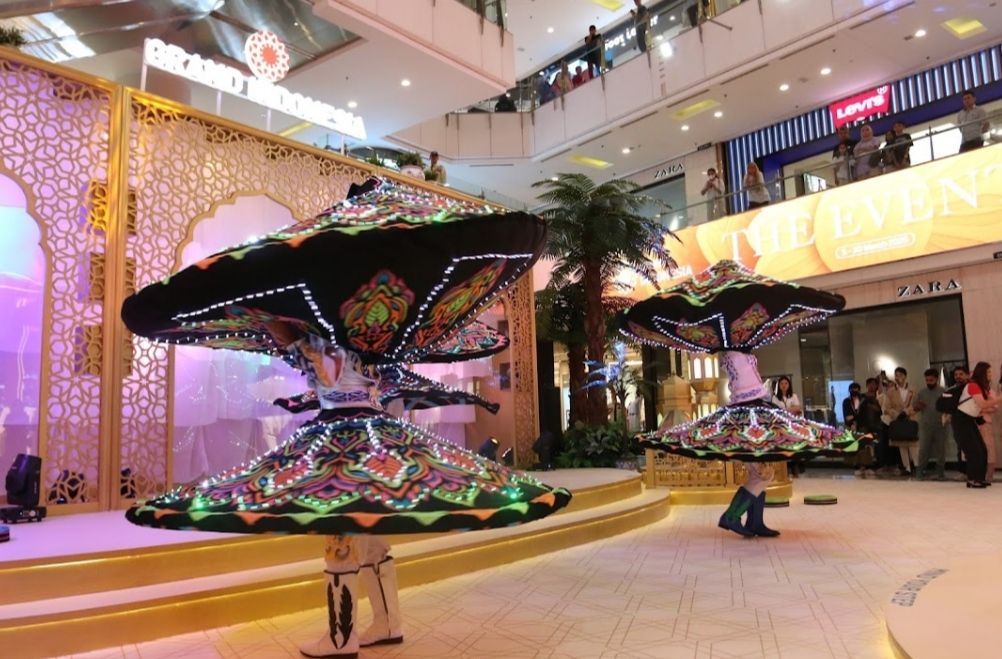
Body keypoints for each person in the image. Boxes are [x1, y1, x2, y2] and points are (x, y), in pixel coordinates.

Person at [956, 362, 992, 488]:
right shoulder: (973, 385)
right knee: (974, 451)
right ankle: (973, 479)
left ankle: (978, 478)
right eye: (988, 372)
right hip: (961, 420)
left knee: (982, 449)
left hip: (969, 419)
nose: (990, 374)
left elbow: (981, 406)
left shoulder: (981, 386)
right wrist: (999, 399)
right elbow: (983, 404)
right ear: (982, 373)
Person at [882, 367, 917, 476]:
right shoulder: (890, 391)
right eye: (896, 375)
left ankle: (917, 466)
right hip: (898, 420)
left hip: (911, 419)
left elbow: (916, 404)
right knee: (901, 444)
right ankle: (906, 467)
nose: (898, 378)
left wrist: (907, 412)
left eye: (900, 375)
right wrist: (897, 414)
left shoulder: (913, 389)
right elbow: (887, 407)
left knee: (913, 444)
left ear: (905, 376)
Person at [914, 368, 948, 481]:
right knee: (923, 449)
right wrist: (919, 406)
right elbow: (915, 408)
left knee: (941, 450)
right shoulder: (921, 392)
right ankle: (920, 472)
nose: (928, 382)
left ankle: (940, 473)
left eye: (931, 380)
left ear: (937, 379)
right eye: (927, 380)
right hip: (925, 425)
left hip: (940, 425)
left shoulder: (944, 391)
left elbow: (949, 407)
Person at [975, 363, 999, 483]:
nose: (990, 374)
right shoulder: (974, 388)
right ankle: (977, 476)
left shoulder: (990, 391)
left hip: (985, 422)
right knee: (976, 449)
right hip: (973, 423)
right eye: (988, 372)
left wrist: (982, 409)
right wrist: (982, 407)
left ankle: (988, 477)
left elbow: (995, 407)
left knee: (989, 449)